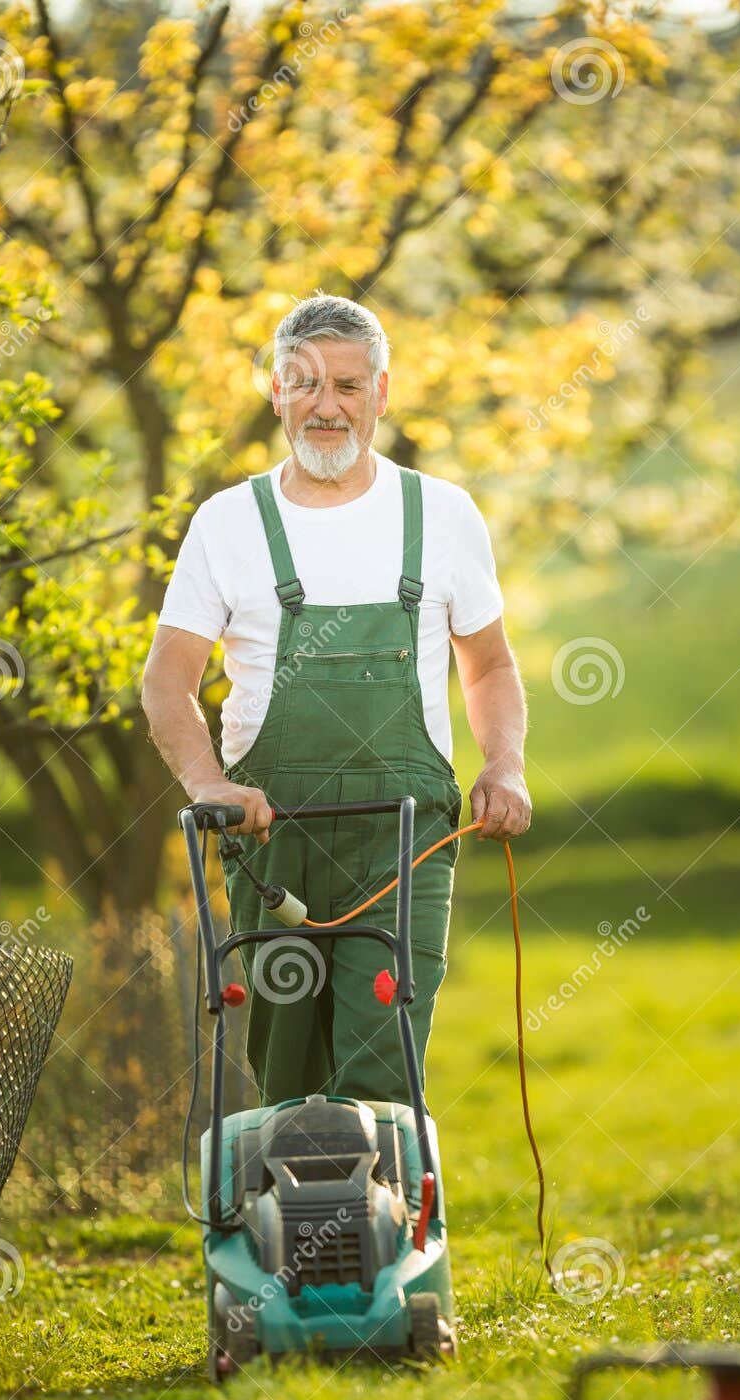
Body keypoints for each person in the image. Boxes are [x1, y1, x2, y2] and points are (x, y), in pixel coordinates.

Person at [141, 293, 530, 1111]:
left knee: (382, 1057)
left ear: (381, 394)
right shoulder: (226, 523)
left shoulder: (441, 514)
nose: (327, 406)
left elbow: (488, 666)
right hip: (271, 838)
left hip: (402, 841)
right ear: (275, 393)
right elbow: (166, 681)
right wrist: (210, 787)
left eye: (348, 386)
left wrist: (505, 764)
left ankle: (384, 1227)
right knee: (288, 1072)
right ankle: (291, 1228)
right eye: (304, 383)